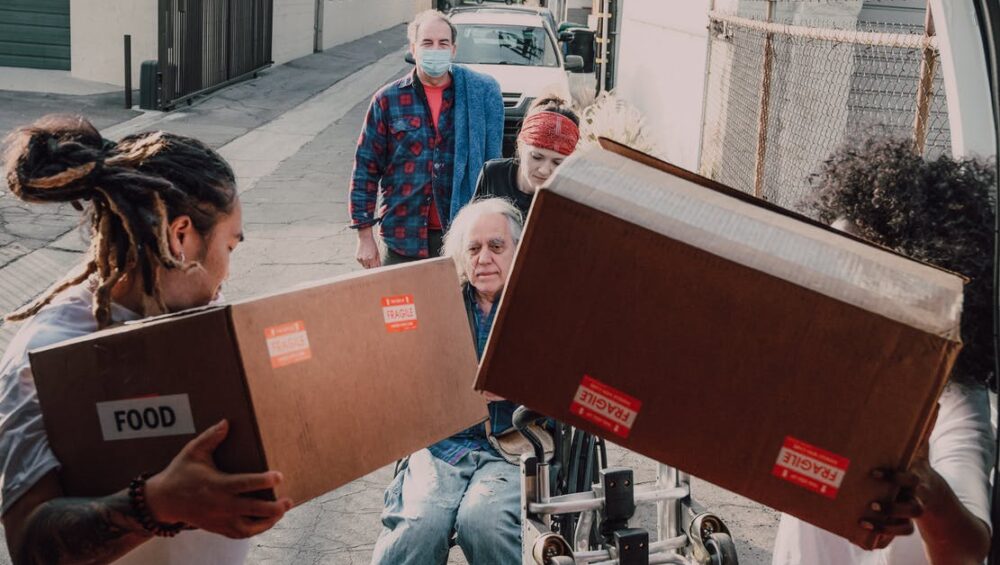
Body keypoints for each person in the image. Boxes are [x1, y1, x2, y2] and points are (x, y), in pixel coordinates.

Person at [0, 114, 292, 565]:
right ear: (181, 237)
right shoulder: (45, 354)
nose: (227, 273)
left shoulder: (204, 327)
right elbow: (29, 545)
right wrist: (156, 504)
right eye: (229, 247)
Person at [772, 136, 996, 565]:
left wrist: (928, 490)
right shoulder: (827, 365)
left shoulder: (953, 396)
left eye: (854, 267)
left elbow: (968, 550)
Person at [371, 198, 525, 565]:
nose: (483, 258)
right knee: (420, 526)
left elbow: (570, 387)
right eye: (473, 248)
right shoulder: (438, 304)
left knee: (483, 522)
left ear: (518, 251)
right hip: (445, 443)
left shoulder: (538, 309)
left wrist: (520, 386)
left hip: (513, 447)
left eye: (496, 246)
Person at [350, 10, 505, 268]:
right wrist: (364, 236)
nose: (436, 49)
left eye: (443, 43)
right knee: (399, 297)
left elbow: (493, 168)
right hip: (402, 237)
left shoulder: (474, 95)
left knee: (454, 297)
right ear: (413, 48)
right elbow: (365, 168)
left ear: (453, 49)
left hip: (461, 237)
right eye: (427, 43)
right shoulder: (387, 100)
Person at [474, 96, 580, 217]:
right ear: (521, 146)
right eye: (536, 157)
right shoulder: (493, 174)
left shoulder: (569, 197)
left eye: (557, 163)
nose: (544, 170)